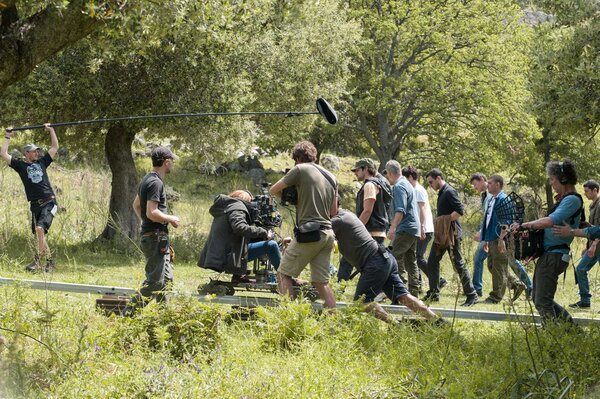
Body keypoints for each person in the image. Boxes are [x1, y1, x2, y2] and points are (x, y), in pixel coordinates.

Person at [331, 207, 443, 324]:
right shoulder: (348, 215)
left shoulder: (338, 220)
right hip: (385, 258)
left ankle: (396, 325)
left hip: (375, 263)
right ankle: (438, 321)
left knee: (362, 302)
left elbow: (318, 233)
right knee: (403, 296)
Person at [270, 141, 338, 309]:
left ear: (298, 158)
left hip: (309, 233)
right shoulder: (331, 177)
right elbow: (334, 211)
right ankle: (333, 320)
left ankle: (289, 316)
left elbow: (274, 189)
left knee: (283, 273)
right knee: (321, 282)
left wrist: (291, 200)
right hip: (328, 234)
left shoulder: (300, 169)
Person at [515, 160, 583, 324]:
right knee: (538, 296)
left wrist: (523, 226)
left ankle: (552, 339)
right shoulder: (565, 199)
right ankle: (572, 331)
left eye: (552, 179)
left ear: (563, 180)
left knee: (542, 302)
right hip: (550, 254)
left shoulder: (572, 199)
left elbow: (551, 220)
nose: (551, 183)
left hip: (555, 255)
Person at [127, 146, 181, 312]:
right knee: (155, 283)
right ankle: (127, 315)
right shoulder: (155, 182)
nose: (172, 164)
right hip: (155, 238)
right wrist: (170, 218)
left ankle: (163, 319)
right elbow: (152, 212)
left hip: (157, 238)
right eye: (171, 161)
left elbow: (136, 205)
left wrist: (144, 223)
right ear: (166, 162)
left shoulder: (148, 179)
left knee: (166, 281)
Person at [1, 124, 59, 272]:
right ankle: (50, 262)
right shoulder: (20, 166)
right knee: (40, 235)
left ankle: (38, 261)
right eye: (34, 152)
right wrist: (8, 136)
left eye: (37, 151)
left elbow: (54, 147)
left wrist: (51, 130)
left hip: (48, 202)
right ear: (27, 153)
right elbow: (4, 154)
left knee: (40, 229)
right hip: (34, 205)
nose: (37, 154)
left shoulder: (42, 163)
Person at [422, 169, 479, 306]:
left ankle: (472, 295)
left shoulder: (449, 191)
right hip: (442, 234)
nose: (430, 185)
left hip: (452, 234)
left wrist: (444, 221)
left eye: (431, 182)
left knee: (458, 264)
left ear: (438, 178)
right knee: (432, 262)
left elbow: (459, 211)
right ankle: (434, 294)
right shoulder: (442, 192)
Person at [198, 190, 282, 282]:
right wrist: (264, 232)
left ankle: (238, 275)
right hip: (229, 255)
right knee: (272, 245)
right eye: (251, 201)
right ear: (247, 200)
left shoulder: (228, 206)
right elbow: (239, 227)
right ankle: (286, 277)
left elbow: (235, 233)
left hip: (222, 253)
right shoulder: (237, 207)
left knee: (257, 241)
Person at [338, 158, 392, 281]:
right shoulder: (376, 184)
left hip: (370, 232)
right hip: (375, 231)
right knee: (372, 265)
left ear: (366, 169)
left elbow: (367, 210)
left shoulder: (369, 185)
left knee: (347, 259)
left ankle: (338, 290)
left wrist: (355, 229)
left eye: (357, 170)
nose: (355, 173)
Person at [478, 175, 527, 304]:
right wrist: (486, 239)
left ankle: (495, 297)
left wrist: (501, 240)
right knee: (492, 266)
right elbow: (488, 220)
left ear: (497, 185)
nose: (487, 185)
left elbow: (506, 223)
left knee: (498, 266)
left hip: (501, 238)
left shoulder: (503, 199)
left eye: (490, 183)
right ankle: (516, 284)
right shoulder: (491, 199)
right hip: (492, 238)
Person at [401, 166, 445, 290]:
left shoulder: (418, 190)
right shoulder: (412, 189)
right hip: (419, 229)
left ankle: (438, 280)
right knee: (413, 258)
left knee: (418, 258)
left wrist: (421, 228)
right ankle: (418, 284)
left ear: (410, 177)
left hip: (424, 229)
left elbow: (422, 210)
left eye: (404, 178)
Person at [560, 180, 599, 309]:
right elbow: (593, 228)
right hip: (593, 245)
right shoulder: (592, 206)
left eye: (587, 191)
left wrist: (593, 245)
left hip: (597, 245)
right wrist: (587, 246)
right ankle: (585, 300)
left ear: (595, 190)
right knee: (581, 269)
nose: (585, 194)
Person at [385, 160, 421, 296]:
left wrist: (393, 227)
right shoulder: (407, 183)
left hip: (405, 228)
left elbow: (400, 210)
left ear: (389, 173)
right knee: (410, 260)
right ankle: (414, 292)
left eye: (387, 175)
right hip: (413, 228)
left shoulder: (399, 186)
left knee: (394, 257)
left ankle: (400, 291)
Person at [470, 173, 492, 297]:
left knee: (479, 259)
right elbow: (485, 217)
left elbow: (492, 217)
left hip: (493, 234)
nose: (474, 187)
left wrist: (483, 234)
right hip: (486, 232)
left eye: (475, 184)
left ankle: (476, 289)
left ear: (483, 180)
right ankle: (519, 284)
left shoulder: (492, 194)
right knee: (493, 263)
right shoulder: (484, 195)